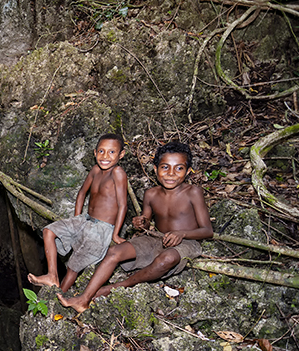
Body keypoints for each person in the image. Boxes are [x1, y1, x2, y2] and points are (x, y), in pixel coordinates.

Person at [60, 141, 213, 313]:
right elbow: (146, 222)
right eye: (165, 167)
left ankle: (121, 285)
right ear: (155, 169)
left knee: (166, 260)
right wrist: (141, 222)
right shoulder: (151, 194)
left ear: (188, 171)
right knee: (114, 252)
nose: (171, 174)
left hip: (186, 242)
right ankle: (84, 298)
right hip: (156, 237)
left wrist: (182, 234)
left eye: (178, 168)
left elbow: (207, 231)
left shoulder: (193, 192)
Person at [28, 133, 128, 295]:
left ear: (121, 154)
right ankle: (52, 275)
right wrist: (76, 217)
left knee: (73, 267)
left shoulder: (117, 173)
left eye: (112, 152)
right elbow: (82, 193)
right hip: (84, 219)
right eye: (101, 151)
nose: (105, 156)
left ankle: (58, 297)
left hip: (102, 228)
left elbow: (123, 204)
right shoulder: (95, 170)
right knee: (49, 231)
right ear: (95, 153)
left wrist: (116, 235)